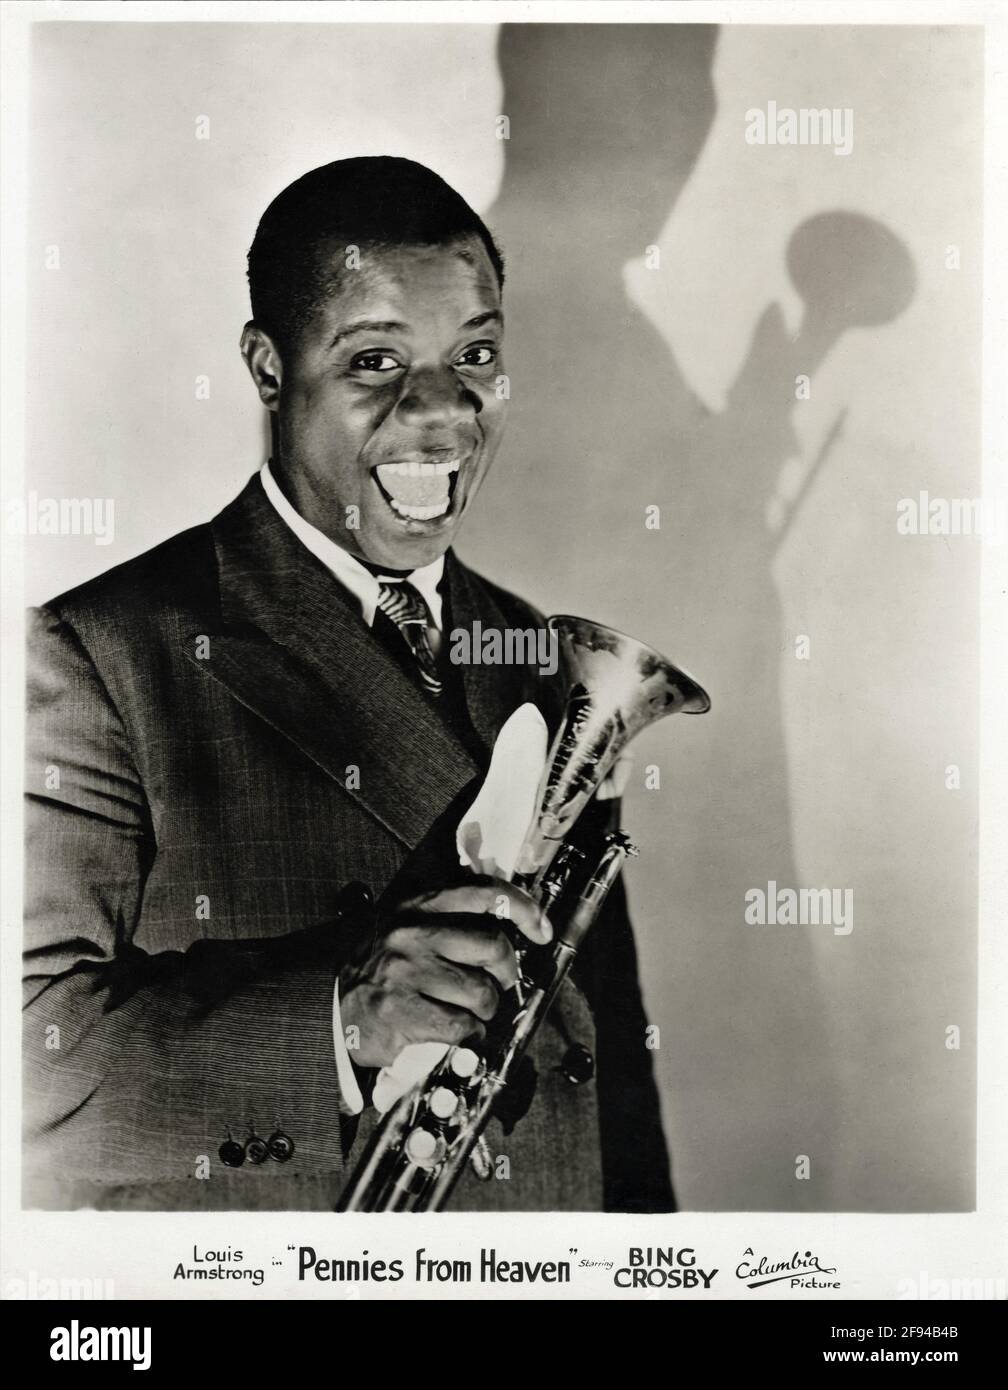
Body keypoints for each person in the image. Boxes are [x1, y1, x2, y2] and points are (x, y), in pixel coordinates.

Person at [23, 157, 672, 1212]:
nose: (443, 413)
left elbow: (601, 1064)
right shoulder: (98, 653)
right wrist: (339, 1022)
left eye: (476, 354)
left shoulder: (550, 660)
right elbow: (30, 1075)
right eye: (376, 360)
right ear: (270, 369)